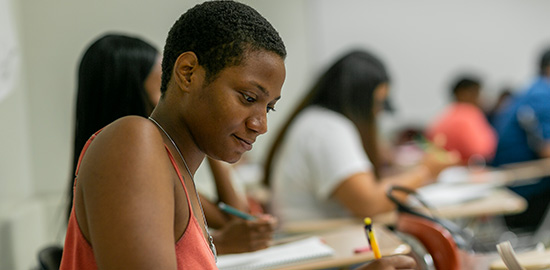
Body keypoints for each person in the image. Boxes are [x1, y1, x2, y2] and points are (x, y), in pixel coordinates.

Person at [66, 31, 277, 257]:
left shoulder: (166, 164)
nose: (173, 95)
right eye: (162, 87)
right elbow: (234, 222)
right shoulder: (129, 154)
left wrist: (212, 137)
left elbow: (236, 222)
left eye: (269, 107)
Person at [264, 49, 459, 225]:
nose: (377, 113)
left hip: (328, 242)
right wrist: (425, 171)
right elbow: (368, 203)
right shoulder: (329, 129)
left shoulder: (316, 120)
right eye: (378, 103)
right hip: (332, 252)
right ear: (360, 100)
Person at [491, 47, 550, 232]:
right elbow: (545, 149)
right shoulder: (542, 95)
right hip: (524, 186)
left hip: (518, 179)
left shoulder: (532, 89)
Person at [426, 75, 497, 165]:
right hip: (468, 170)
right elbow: (480, 150)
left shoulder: (443, 115)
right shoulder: (468, 114)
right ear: (465, 93)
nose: (482, 99)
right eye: (478, 93)